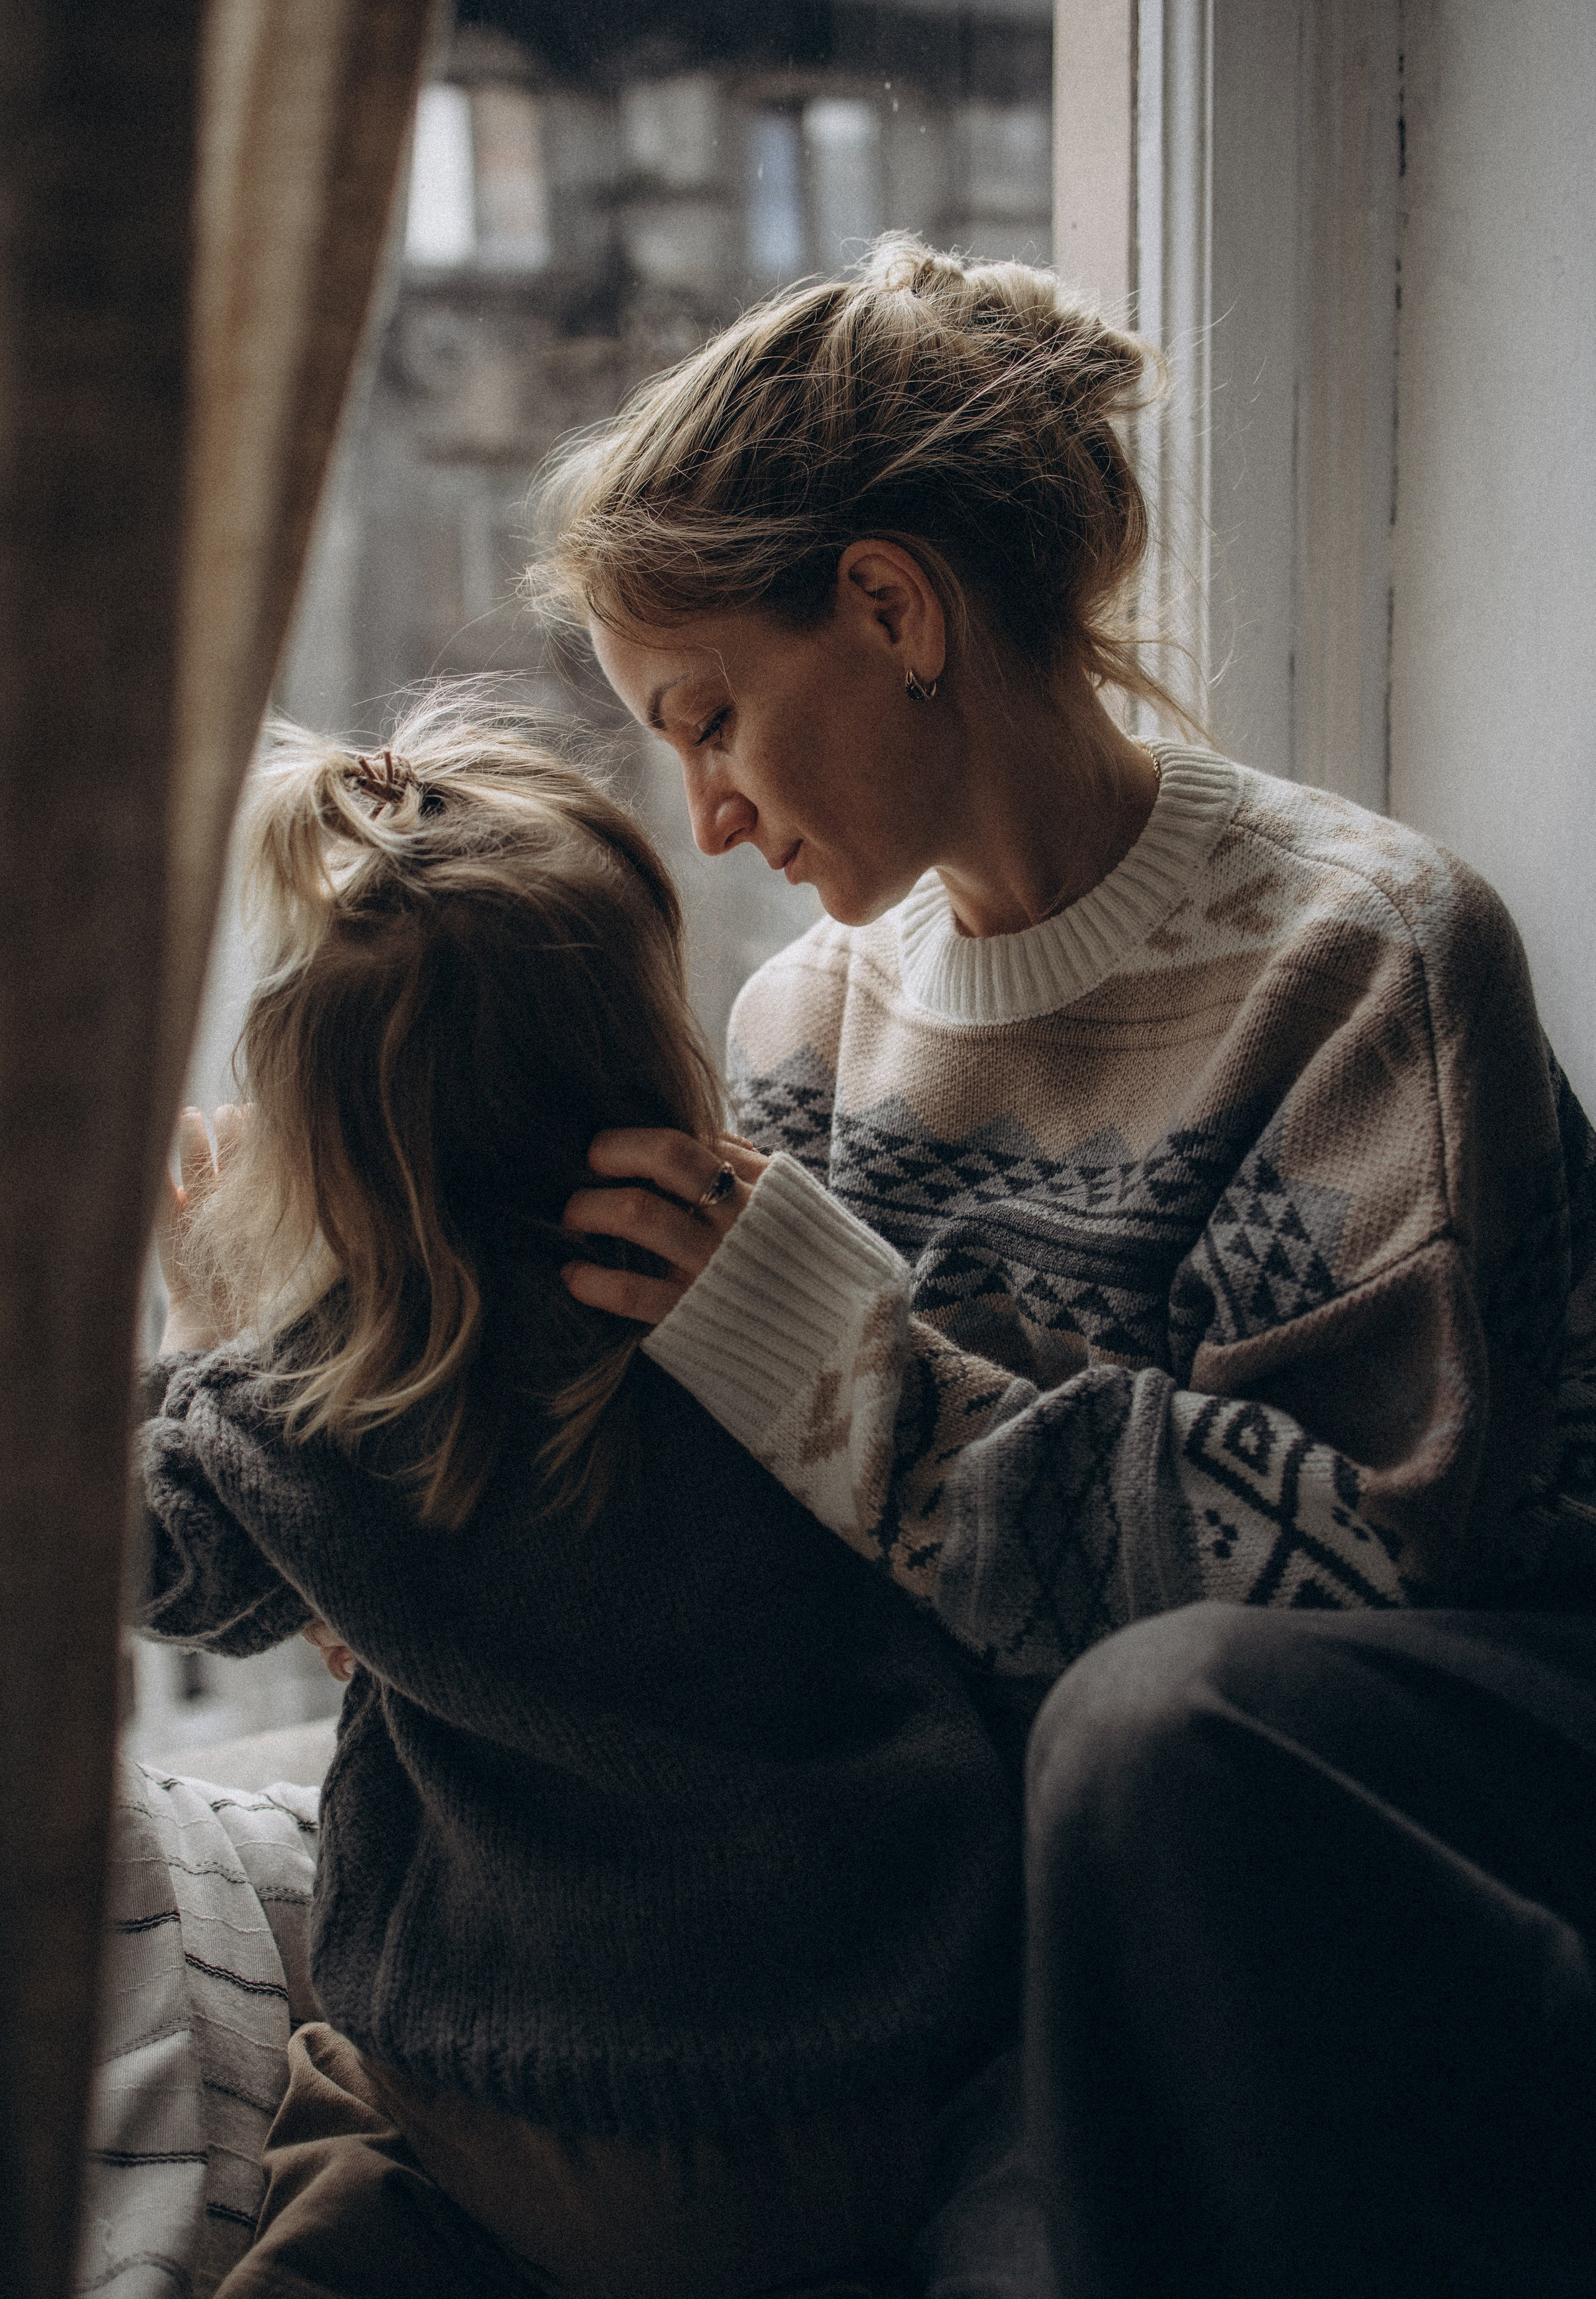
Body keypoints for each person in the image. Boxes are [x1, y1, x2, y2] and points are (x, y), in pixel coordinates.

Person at [529, 236, 1596, 2296]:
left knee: (1150, 1725)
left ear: (892, 608)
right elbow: (834, 1581)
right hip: (1057, 1856)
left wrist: (844, 1377)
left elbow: (1353, 1579)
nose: (709, 820)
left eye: (713, 718)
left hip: (1434, 1783)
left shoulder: (1362, 955)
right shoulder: (803, 1031)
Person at [135, 699, 1022, 2299]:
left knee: (339, 2123)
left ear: (322, 1152)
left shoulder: (312, 1414)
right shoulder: (768, 1310)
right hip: (880, 2097)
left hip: (527, 2117)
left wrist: (200, 1335)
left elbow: (153, 1565)